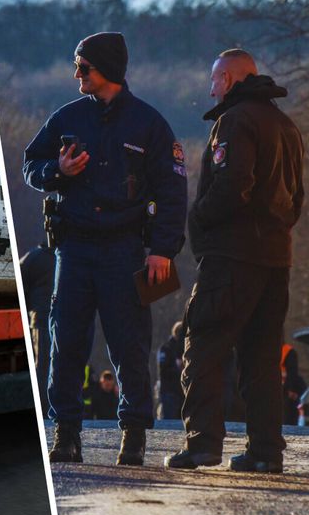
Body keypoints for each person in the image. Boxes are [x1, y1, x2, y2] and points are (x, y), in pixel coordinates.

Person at [23, 31, 187, 466]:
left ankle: (133, 437)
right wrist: (55, 170)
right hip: (73, 249)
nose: (76, 73)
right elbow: (29, 165)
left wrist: (162, 250)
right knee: (66, 343)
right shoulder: (67, 117)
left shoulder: (150, 125)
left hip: (126, 251)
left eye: (84, 66)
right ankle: (66, 435)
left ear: (107, 70)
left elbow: (172, 193)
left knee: (130, 345)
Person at [165, 49, 305, 473]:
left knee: (203, 342)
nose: (209, 90)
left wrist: (198, 218)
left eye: (214, 80)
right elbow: (297, 199)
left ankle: (202, 444)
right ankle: (265, 452)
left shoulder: (236, 121)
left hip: (232, 256)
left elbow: (233, 185)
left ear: (228, 78)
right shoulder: (286, 125)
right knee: (262, 357)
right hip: (276, 259)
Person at [19, 242, 57, 413]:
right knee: (53, 365)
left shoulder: (35, 257)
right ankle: (51, 408)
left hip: (40, 317)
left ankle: (43, 409)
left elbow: (20, 283)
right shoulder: (68, 256)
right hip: (59, 317)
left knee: (42, 365)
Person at [156, 321, 186, 420]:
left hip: (182, 392)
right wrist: (178, 368)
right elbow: (163, 369)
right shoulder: (166, 348)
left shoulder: (185, 348)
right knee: (170, 421)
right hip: (169, 391)